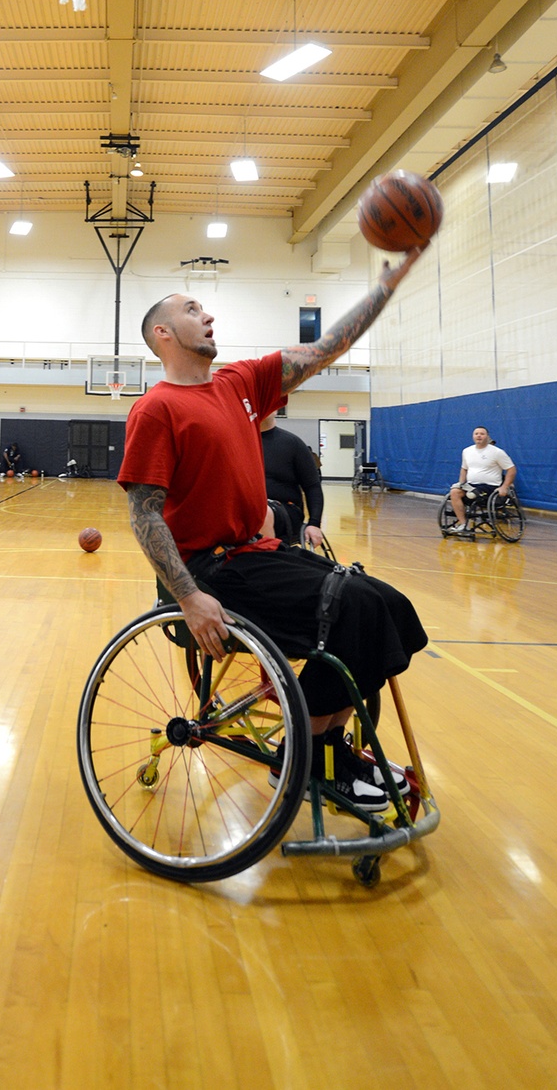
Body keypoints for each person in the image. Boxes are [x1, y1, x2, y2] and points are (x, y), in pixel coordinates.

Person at [119, 251, 428, 813]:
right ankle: (304, 755)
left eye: (207, 309)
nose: (207, 316)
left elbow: (324, 348)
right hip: (213, 571)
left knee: (388, 606)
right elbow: (144, 514)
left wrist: (386, 286)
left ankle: (326, 749)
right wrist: (188, 596)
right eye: (193, 309)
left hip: (259, 553)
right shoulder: (155, 409)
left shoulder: (240, 383)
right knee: (353, 607)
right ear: (163, 334)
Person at [260, 410, 325, 547]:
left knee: (262, 512)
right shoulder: (238, 441)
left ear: (276, 410)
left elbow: (312, 486)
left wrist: (314, 523)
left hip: (286, 510)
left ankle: (269, 561)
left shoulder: (293, 443)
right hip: (247, 508)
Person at [446, 426, 517, 537]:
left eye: (482, 433)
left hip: (490, 487)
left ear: (487, 436)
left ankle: (471, 497)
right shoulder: (467, 451)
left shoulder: (497, 452)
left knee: (471, 494)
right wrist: (461, 483)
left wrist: (504, 487)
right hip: (471, 485)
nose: (479, 435)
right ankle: (464, 525)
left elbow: (511, 469)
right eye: (476, 433)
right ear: (473, 436)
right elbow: (464, 468)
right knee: (454, 492)